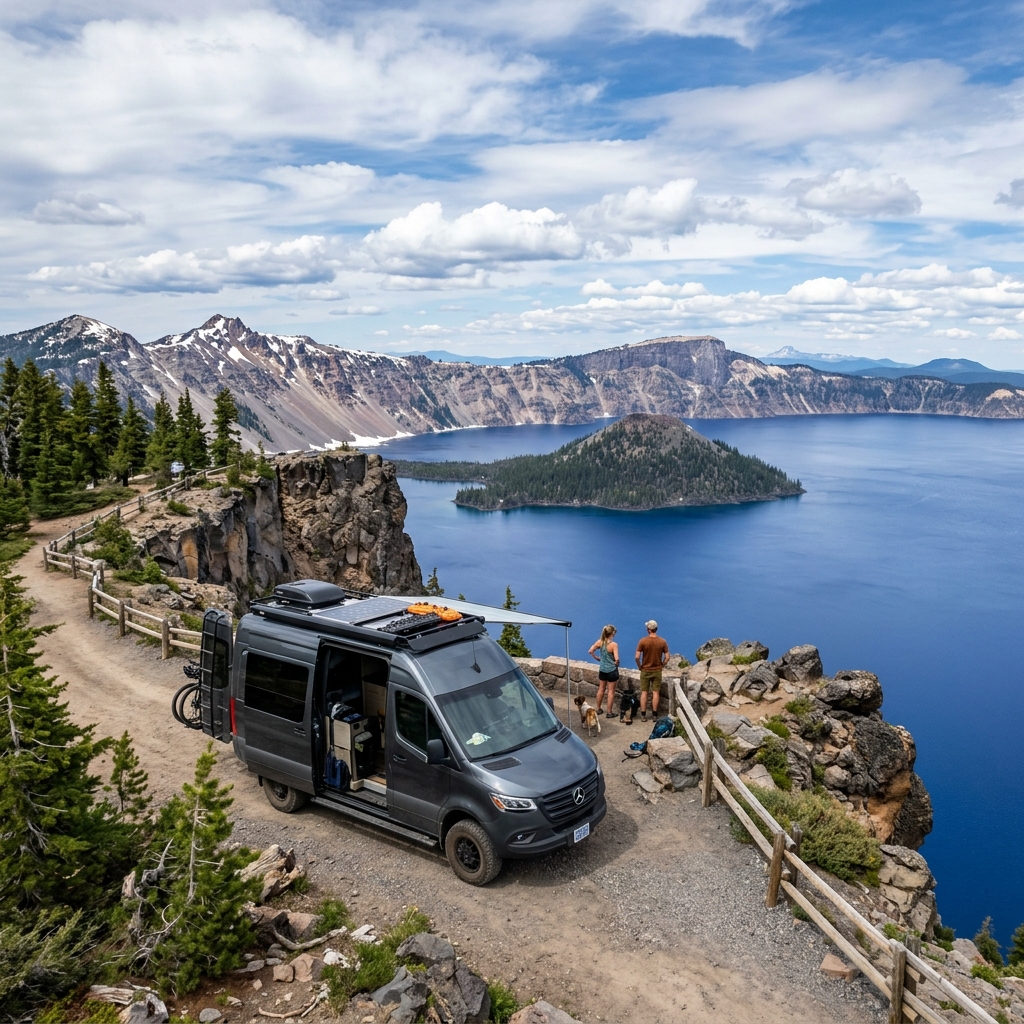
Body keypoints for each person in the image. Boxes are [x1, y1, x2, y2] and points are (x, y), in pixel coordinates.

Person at [635, 619, 669, 722]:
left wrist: (640, 666)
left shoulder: (643, 641)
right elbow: (667, 657)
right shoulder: (662, 641)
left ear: (649, 629)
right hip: (657, 670)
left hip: (645, 670)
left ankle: (643, 715)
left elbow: (637, 657)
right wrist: (662, 664)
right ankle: (654, 714)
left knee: (644, 693)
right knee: (656, 693)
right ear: (656, 629)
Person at [588, 624, 620, 719]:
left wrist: (597, 658)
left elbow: (590, 651)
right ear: (612, 633)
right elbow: (617, 659)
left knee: (601, 689)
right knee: (611, 691)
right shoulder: (613, 645)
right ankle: (609, 712)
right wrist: (616, 663)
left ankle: (598, 708)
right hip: (611, 670)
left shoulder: (600, 642)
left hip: (602, 669)